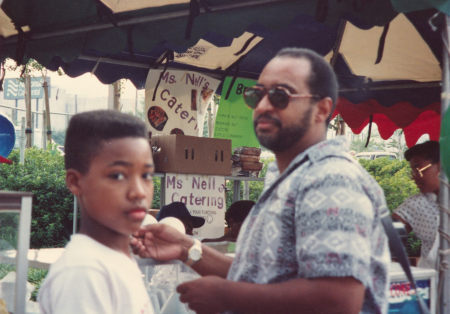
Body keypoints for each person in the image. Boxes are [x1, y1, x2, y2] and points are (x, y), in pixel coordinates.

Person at [132, 48, 390, 314]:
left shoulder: (330, 179)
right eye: (257, 95)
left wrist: (227, 296)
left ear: (321, 109)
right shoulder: (288, 176)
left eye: (280, 96)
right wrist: (186, 247)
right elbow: (259, 278)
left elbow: (337, 300)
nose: (264, 106)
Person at [38, 110, 155, 314]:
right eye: (118, 175)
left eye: (146, 175)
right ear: (75, 182)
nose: (138, 191)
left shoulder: (114, 258)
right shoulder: (84, 272)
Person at [392, 141, 440, 269]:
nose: (414, 177)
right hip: (433, 282)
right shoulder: (417, 204)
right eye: (412, 171)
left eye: (418, 169)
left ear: (441, 166)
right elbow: (388, 237)